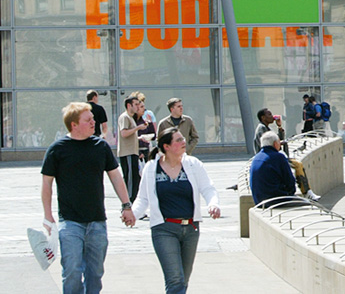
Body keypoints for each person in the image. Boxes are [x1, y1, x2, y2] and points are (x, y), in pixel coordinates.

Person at [41, 102, 137, 294]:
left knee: (95, 273)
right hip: (70, 222)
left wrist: (127, 206)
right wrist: (47, 215)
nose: (94, 122)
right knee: (72, 271)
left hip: (97, 221)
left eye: (93, 119)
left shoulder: (100, 146)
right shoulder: (57, 149)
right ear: (74, 124)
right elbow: (47, 184)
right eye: (88, 120)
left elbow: (116, 177)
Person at [132, 128, 220, 294]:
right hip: (164, 229)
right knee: (175, 280)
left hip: (191, 229)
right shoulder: (151, 168)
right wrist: (133, 215)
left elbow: (208, 188)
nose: (183, 142)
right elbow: (143, 199)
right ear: (166, 146)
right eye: (178, 140)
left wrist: (213, 204)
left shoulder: (193, 165)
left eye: (183, 139)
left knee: (183, 280)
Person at [248, 131, 297, 207]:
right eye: (279, 142)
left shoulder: (256, 158)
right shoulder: (279, 157)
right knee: (306, 205)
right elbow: (290, 182)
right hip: (275, 201)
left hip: (259, 201)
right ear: (275, 144)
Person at [118, 96, 143, 202]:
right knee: (130, 180)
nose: (138, 107)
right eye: (136, 104)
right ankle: (128, 203)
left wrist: (140, 138)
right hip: (127, 153)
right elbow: (124, 133)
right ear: (129, 105)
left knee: (135, 179)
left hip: (133, 152)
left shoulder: (131, 118)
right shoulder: (125, 117)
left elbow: (129, 135)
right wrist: (138, 128)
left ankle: (133, 202)